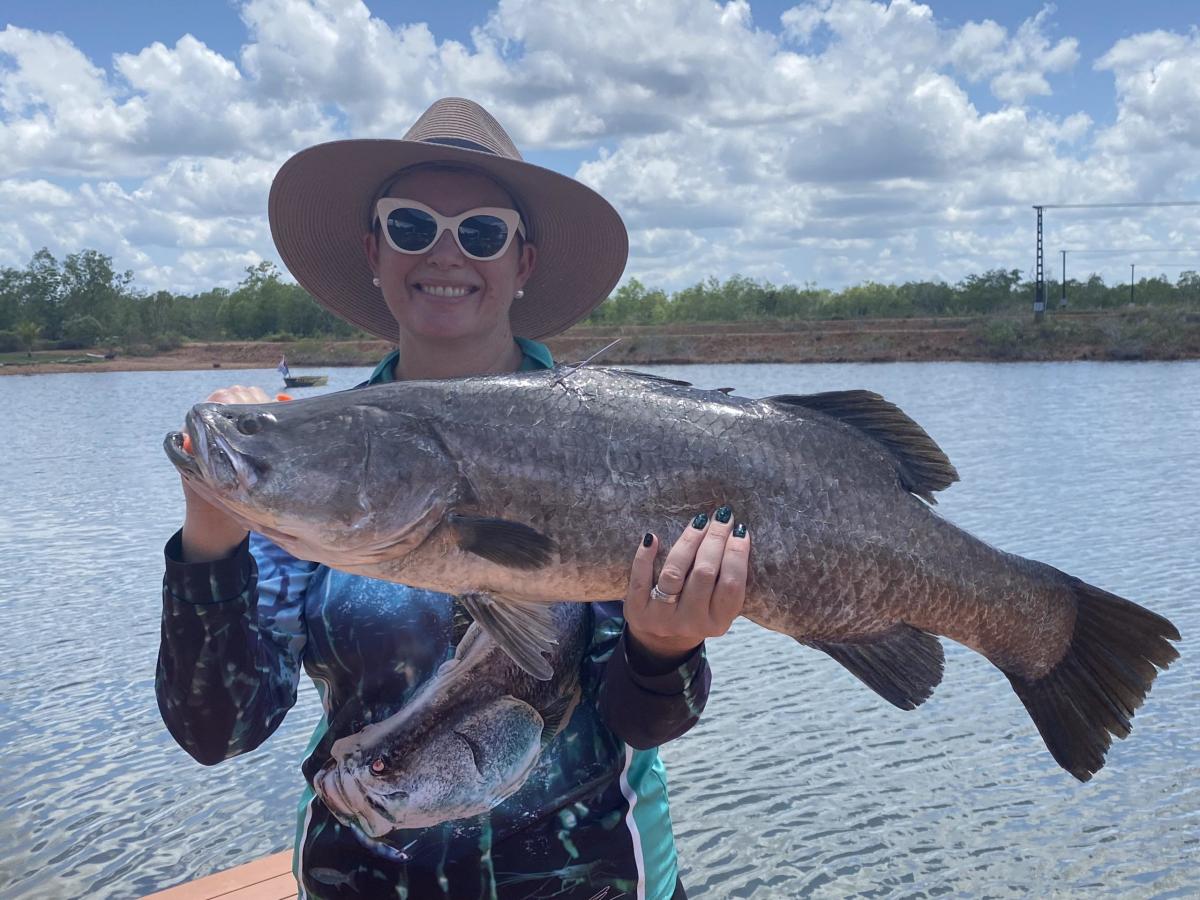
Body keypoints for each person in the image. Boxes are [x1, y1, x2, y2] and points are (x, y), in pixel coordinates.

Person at [157, 98, 751, 900]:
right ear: (374, 249)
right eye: (410, 227)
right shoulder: (305, 466)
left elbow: (644, 724)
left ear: (523, 261)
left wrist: (666, 648)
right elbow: (217, 732)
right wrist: (210, 541)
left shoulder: (609, 437)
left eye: (479, 232)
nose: (444, 252)